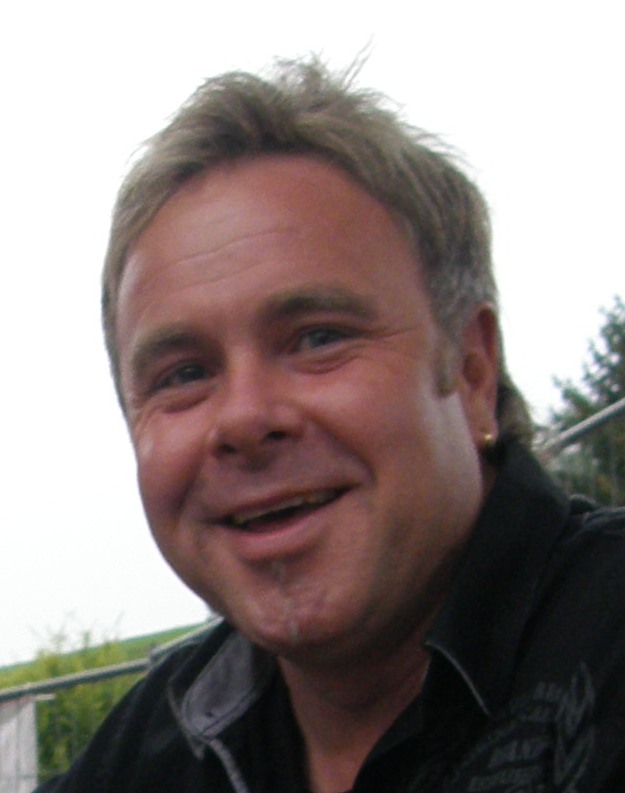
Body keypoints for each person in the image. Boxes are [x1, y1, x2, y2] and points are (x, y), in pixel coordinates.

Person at [36, 59, 625, 792]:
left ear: (471, 370)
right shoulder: (148, 753)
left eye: (317, 338)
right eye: (183, 375)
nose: (245, 418)